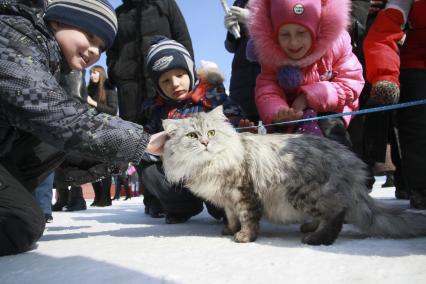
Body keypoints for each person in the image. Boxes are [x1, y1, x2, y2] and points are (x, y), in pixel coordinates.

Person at [0, 0, 165, 256]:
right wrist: (141, 141)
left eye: (101, 47)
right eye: (89, 35)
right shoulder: (13, 35)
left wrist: (125, 151)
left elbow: (64, 130)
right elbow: (54, 114)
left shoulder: (46, 58)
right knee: (20, 224)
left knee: (53, 145)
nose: (93, 51)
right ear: (56, 21)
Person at [141, 37, 246, 224]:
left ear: (190, 72)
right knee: (149, 170)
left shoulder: (212, 98)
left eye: (180, 75)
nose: (174, 84)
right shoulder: (156, 111)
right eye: (165, 80)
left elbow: (233, 119)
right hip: (181, 178)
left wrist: (238, 127)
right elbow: (146, 141)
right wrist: (158, 150)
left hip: (213, 172)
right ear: (157, 86)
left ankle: (223, 206)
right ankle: (182, 207)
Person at [247, 0, 364, 146]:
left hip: (332, 111)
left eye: (301, 32)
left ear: (316, 29)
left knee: (331, 134)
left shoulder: (336, 45)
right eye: (285, 34)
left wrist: (308, 97)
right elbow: (267, 91)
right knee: (287, 145)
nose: (294, 42)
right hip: (293, 118)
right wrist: (278, 112)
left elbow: (351, 83)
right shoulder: (272, 58)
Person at [363, 0, 426, 209]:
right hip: (417, 64)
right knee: (416, 119)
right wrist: (385, 77)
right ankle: (421, 187)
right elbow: (382, 35)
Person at [106, 0, 194, 125]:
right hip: (128, 88)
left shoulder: (165, 3)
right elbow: (112, 50)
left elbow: (182, 37)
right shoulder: (118, 14)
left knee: (167, 129)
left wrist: (188, 71)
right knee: (133, 134)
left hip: (163, 81)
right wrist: (115, 71)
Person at [224, 0, 261, 122]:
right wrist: (231, 31)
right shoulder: (239, 2)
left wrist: (253, 19)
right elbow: (231, 47)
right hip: (240, 83)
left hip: (268, 78)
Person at [87, 65, 119, 207]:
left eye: (95, 73)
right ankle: (98, 196)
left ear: (101, 74)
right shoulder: (89, 89)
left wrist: (93, 103)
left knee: (105, 165)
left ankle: (106, 197)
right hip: (91, 130)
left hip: (107, 129)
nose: (92, 75)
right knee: (92, 164)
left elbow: (113, 110)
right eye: (91, 73)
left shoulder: (109, 88)